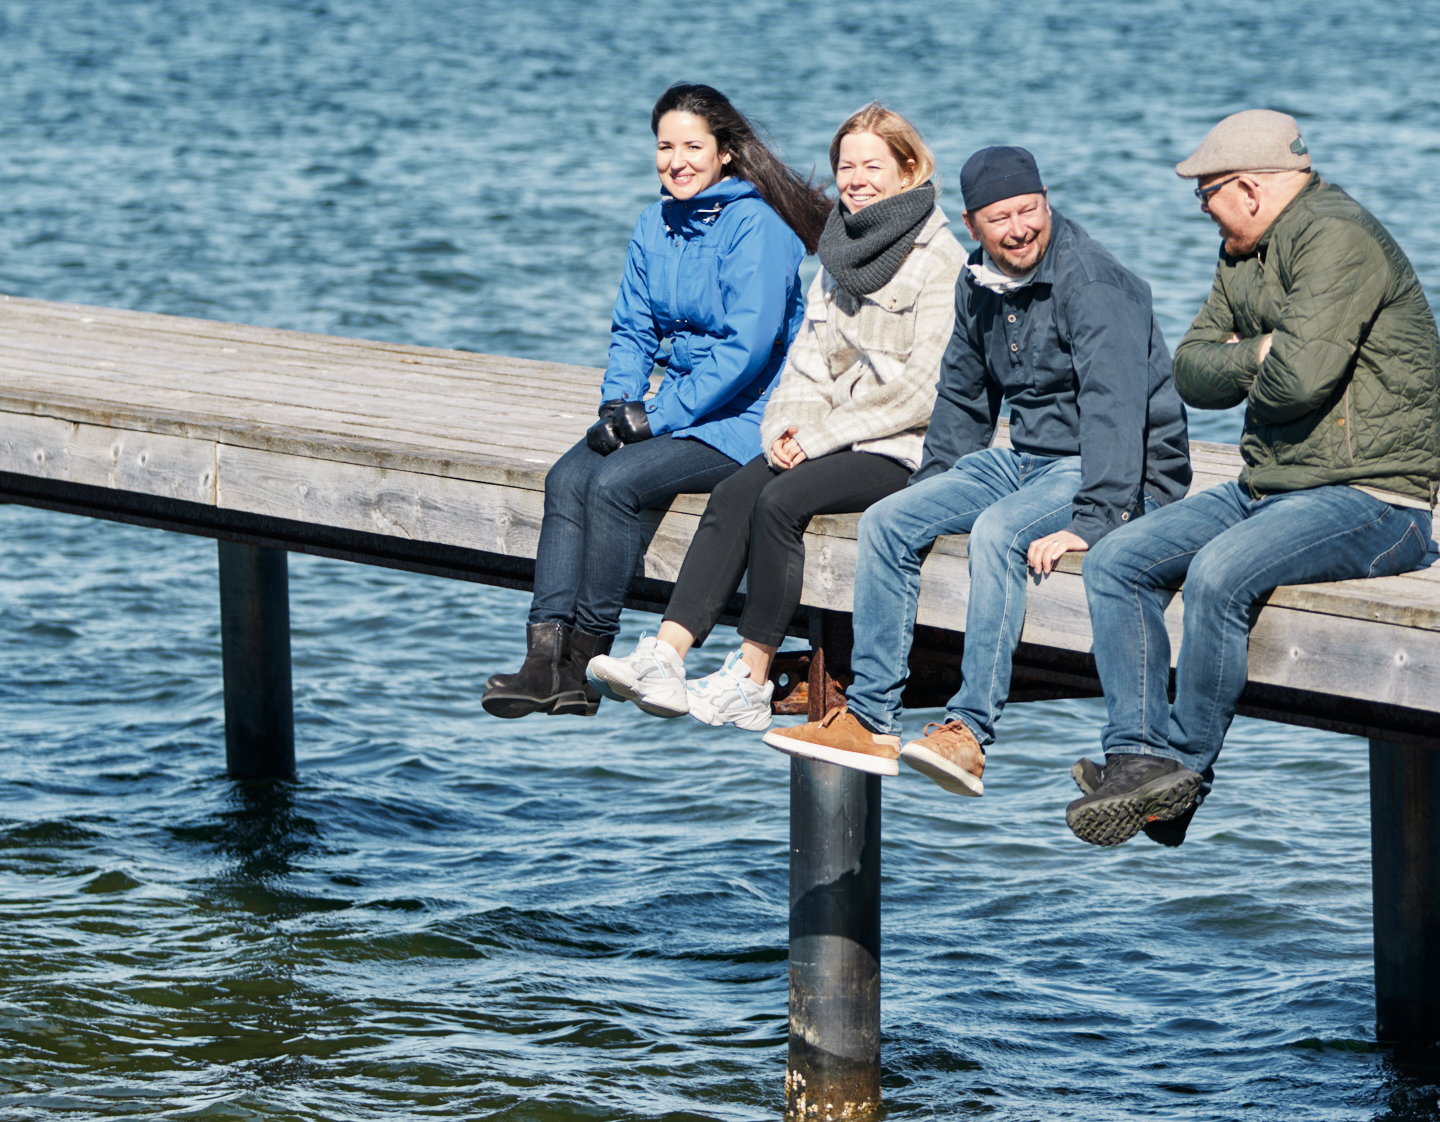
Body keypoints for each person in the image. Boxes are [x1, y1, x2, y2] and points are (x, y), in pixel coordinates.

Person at [1066, 109, 1440, 850]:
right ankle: (1136, 757)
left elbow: (1299, 383)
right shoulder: (1242, 251)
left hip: (1372, 498)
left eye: (1203, 194)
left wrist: (1263, 355)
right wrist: (1261, 351)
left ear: (1245, 187)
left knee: (1216, 574)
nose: (1200, 208)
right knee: (1116, 560)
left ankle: (1183, 774)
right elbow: (1191, 371)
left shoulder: (1337, 238)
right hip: (1267, 487)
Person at [770, 143, 1191, 793]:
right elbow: (963, 396)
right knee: (886, 521)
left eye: (1030, 210)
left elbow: (1116, 411)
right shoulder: (978, 279)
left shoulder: (1092, 284)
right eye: (1001, 218)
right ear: (973, 225)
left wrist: (1097, 517)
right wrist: (934, 485)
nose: (1019, 227)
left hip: (1103, 468)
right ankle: (870, 718)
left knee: (997, 533)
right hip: (1023, 457)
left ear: (1046, 205)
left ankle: (967, 730)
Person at [588, 104, 965, 727]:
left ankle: (752, 677)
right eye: (847, 165)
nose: (856, 178)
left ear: (909, 169)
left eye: (874, 165)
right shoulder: (842, 250)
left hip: (905, 448)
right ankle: (666, 655)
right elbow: (806, 362)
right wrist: (784, 429)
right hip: (831, 438)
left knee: (779, 502)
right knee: (739, 488)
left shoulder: (938, 259)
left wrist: (816, 438)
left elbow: (920, 393)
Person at [481, 84, 825, 717]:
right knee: (567, 477)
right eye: (665, 147)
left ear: (725, 152)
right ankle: (542, 660)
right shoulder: (654, 222)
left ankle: (585, 664)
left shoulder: (760, 228)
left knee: (614, 485)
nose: (677, 160)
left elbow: (744, 353)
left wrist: (655, 416)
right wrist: (619, 405)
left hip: (749, 417)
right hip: (681, 406)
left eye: (693, 146)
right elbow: (633, 330)